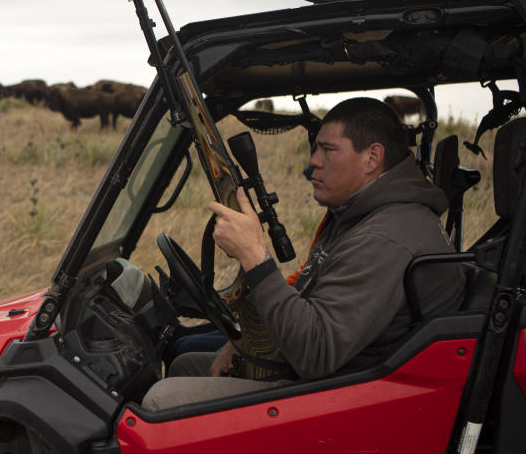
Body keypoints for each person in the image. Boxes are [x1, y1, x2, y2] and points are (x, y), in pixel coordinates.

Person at [142, 97, 465, 410]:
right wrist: (243, 340)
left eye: (328, 150)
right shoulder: (360, 216)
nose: (313, 161)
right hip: (344, 376)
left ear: (371, 158)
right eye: (316, 149)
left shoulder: (385, 237)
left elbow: (317, 354)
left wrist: (255, 257)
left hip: (352, 398)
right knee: (187, 362)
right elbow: (313, 300)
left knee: (162, 399)